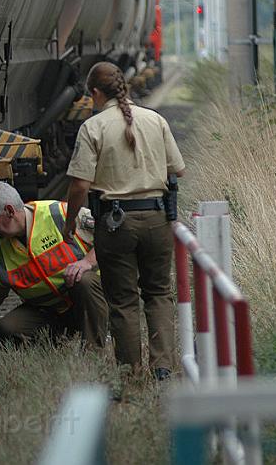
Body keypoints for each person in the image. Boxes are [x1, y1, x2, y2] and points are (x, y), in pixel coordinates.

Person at [62, 61, 185, 380]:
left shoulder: (93, 127)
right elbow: (178, 168)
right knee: (158, 293)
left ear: (95, 93)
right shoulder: (155, 120)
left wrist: (69, 222)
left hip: (115, 224)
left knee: (124, 300)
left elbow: (79, 184)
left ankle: (131, 374)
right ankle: (163, 369)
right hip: (157, 218)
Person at [0, 181, 108, 366]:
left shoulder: (60, 214)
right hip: (55, 314)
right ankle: (52, 362)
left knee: (84, 281)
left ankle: (93, 359)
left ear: (9, 211)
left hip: (97, 303)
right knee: (7, 329)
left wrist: (87, 262)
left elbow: (111, 236)